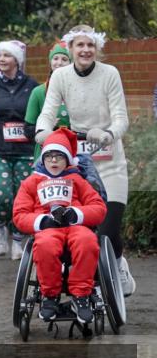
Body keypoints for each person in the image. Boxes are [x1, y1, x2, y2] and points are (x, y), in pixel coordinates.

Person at [35, 25, 135, 296]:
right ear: (70, 49)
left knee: (108, 227)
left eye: (90, 45)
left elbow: (121, 117)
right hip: (80, 162)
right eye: (80, 45)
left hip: (110, 158)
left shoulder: (110, 74)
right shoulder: (61, 76)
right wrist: (42, 132)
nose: (85, 50)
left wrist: (109, 134)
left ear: (97, 49)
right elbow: (48, 111)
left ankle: (117, 264)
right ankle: (89, 280)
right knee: (83, 227)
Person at [12, 128, 107, 324]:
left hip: (75, 225)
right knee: (45, 245)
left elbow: (98, 207)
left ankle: (80, 296)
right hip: (47, 226)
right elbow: (19, 215)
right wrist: (41, 221)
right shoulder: (31, 182)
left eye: (59, 157)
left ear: (67, 160)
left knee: (87, 241)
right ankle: (50, 296)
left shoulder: (78, 181)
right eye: (49, 156)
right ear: (43, 159)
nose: (54, 161)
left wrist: (77, 214)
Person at [0, 40, 38, 261]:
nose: (1, 59)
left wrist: (32, 128)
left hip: (25, 150)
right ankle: (1, 226)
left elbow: (39, 112)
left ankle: (18, 239)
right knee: (2, 194)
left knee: (23, 199)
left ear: (17, 60)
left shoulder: (31, 85)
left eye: (7, 55)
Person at [25, 41, 72, 161]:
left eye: (64, 59)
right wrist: (46, 127)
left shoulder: (79, 91)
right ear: (50, 62)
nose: (59, 63)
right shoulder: (38, 92)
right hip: (46, 152)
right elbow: (28, 130)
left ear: (71, 63)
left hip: (73, 150)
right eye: (55, 58)